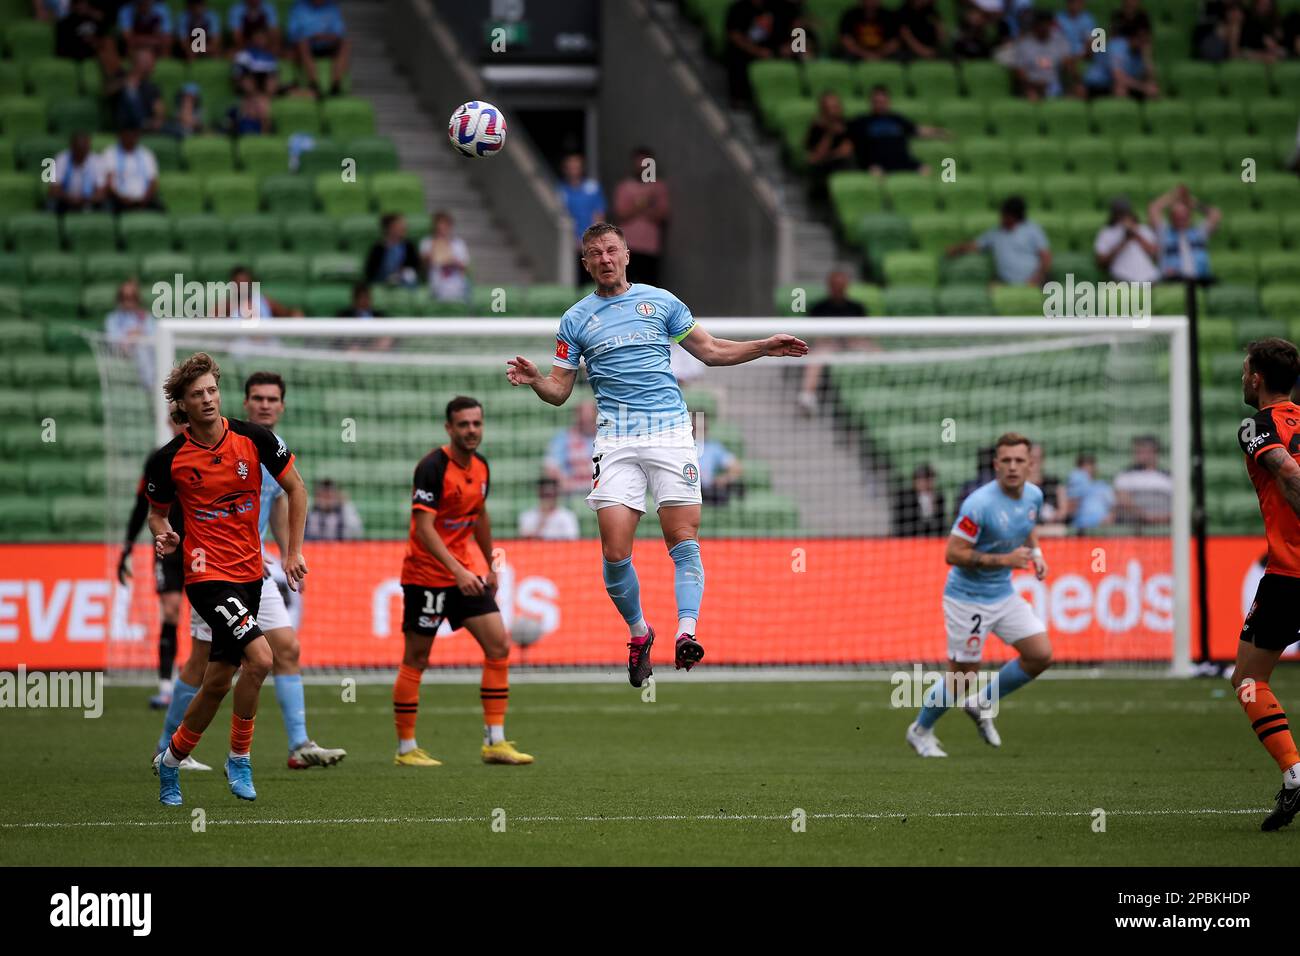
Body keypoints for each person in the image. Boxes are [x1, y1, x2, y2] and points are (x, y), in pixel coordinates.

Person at [505, 222, 808, 687]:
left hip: (670, 432)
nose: (604, 259)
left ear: (627, 254)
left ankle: (687, 633)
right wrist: (536, 381)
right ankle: (639, 632)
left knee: (682, 539)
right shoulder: (574, 320)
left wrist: (763, 347)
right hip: (616, 439)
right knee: (614, 549)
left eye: (611, 250)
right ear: (585, 263)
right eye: (594, 253)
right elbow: (560, 391)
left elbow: (710, 351)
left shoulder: (661, 302)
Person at [151, 370, 346, 776]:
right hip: (212, 572)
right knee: (207, 663)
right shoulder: (185, 454)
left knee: (285, 649)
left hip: (256, 567)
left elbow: (282, 502)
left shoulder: (267, 445)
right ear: (246, 402)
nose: (265, 405)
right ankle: (171, 748)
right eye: (257, 398)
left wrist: (290, 554)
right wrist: (167, 535)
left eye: (272, 399)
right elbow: (162, 512)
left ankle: (298, 745)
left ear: (282, 405)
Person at [394, 396, 534, 767]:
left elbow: (480, 516)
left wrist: (490, 564)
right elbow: (424, 528)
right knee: (417, 658)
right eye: (464, 424)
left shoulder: (482, 467)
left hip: (465, 574)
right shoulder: (431, 467)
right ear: (449, 428)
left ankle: (495, 742)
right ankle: (406, 749)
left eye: (477, 424)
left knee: (498, 644)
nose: (471, 430)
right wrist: (458, 570)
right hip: (426, 576)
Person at [906, 432, 1053, 758]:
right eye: (1006, 461)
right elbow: (953, 554)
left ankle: (983, 702)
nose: (1013, 467)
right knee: (962, 677)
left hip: (1002, 593)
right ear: (995, 464)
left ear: (1030, 464)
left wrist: (1037, 553)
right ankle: (920, 730)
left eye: (1019, 461)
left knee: (1040, 654)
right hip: (967, 598)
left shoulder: (1034, 496)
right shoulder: (979, 504)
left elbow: (1026, 522)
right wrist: (1005, 561)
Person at [1230, 338, 1300, 830]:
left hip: (1291, 575)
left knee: (1248, 680)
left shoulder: (1258, 426)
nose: (1241, 377)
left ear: (1256, 377)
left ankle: (1295, 773)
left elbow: (1288, 472)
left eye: (1244, 370)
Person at [119, 423, 190, 715]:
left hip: (203, 545)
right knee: (171, 609)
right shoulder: (159, 458)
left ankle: (205, 683)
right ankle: (165, 686)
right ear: (170, 421)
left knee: (207, 617)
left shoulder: (212, 455)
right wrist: (127, 546)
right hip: (167, 546)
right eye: (178, 417)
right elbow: (141, 504)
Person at [798, 269, 868, 414]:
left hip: (853, 345)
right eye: (835, 285)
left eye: (841, 285)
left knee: (874, 349)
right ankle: (807, 396)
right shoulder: (818, 308)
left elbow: (865, 332)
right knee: (816, 356)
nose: (838, 288)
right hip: (829, 346)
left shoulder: (857, 307)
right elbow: (812, 334)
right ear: (829, 286)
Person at [947, 195, 1051, 286]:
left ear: (1013, 216)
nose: (1001, 217)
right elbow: (975, 245)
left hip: (1033, 282)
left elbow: (1046, 257)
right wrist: (957, 249)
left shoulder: (1033, 230)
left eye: (1005, 215)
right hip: (1005, 283)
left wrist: (1037, 279)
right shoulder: (995, 233)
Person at [847, 85, 947, 176]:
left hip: (902, 159)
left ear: (888, 102)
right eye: (877, 102)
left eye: (883, 102)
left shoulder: (897, 119)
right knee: (875, 174)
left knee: (926, 169)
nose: (880, 105)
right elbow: (844, 131)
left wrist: (940, 132)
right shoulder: (862, 121)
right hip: (877, 162)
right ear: (871, 102)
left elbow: (917, 129)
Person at [612, 147, 670, 287]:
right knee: (626, 286)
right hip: (628, 246)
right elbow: (621, 214)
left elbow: (662, 214)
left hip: (650, 247)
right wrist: (642, 205)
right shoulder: (624, 187)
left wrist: (644, 207)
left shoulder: (658, 187)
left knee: (649, 287)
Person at [1148, 184, 1220, 282]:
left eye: (1184, 217)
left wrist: (1190, 202)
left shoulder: (1198, 233)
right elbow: (1154, 208)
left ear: (1190, 217)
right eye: (1177, 217)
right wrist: (1173, 196)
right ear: (1171, 218)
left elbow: (1215, 214)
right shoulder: (1164, 234)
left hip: (1201, 279)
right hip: (1174, 281)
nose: (1181, 220)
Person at [557, 153, 607, 285]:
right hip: (569, 244)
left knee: (594, 278)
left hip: (591, 243)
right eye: (570, 167)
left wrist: (592, 240)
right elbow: (560, 217)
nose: (574, 170)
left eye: (576, 167)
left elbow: (599, 215)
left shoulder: (592, 188)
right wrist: (573, 240)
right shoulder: (560, 190)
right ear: (565, 169)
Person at [1010, 11, 1079, 100]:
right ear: (1035, 25)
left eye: (1047, 24)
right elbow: (1020, 72)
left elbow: (1068, 64)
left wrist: (1073, 77)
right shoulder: (1024, 44)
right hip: (1032, 86)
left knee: (1078, 91)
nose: (1044, 27)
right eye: (1041, 24)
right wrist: (1034, 85)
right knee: (1032, 96)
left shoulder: (1060, 40)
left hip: (1054, 85)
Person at [287, 0, 351, 96]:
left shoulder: (332, 7)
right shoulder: (298, 7)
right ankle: (314, 83)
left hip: (327, 44)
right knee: (302, 43)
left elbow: (339, 32)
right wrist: (311, 37)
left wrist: (323, 37)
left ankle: (335, 85)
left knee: (345, 43)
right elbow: (292, 33)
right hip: (306, 46)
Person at [724, 0, 781, 105]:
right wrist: (757, 51)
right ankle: (741, 98)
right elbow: (734, 35)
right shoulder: (738, 8)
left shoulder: (774, 7)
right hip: (745, 51)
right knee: (738, 59)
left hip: (770, 50)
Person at [1094, 197, 1159, 284]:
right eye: (1119, 213)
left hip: (1149, 278)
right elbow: (1101, 262)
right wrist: (1124, 241)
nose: (1122, 215)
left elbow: (1155, 254)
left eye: (1124, 212)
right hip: (1122, 278)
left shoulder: (1142, 229)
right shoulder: (1107, 233)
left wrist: (1135, 234)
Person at [104, 278, 155, 389]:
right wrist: (130, 336)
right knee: (141, 347)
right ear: (119, 299)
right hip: (123, 351)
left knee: (146, 347)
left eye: (132, 298)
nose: (128, 301)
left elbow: (153, 337)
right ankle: (151, 386)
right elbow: (113, 341)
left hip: (146, 349)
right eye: (125, 298)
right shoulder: (113, 318)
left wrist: (138, 334)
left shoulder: (145, 316)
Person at [804, 92, 855, 201]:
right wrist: (830, 133)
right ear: (822, 110)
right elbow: (814, 158)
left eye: (835, 107)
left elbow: (847, 151)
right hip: (823, 174)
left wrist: (829, 156)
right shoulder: (817, 128)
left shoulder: (848, 125)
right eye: (828, 108)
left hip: (844, 171)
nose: (832, 111)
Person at [543, 400, 599, 497]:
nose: (586, 423)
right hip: (570, 494)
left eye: (590, 420)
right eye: (583, 420)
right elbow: (550, 468)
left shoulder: (604, 439)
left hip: (598, 492)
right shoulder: (562, 438)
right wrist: (565, 484)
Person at [1113, 435, 1172, 526]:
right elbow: (1122, 499)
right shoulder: (1125, 475)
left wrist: (1160, 518)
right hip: (1133, 526)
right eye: (1137, 451)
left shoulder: (1168, 476)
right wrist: (1144, 516)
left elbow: (1178, 505)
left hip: (1165, 527)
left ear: (1155, 452)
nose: (1139, 455)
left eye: (1143, 451)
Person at [48, 131, 108, 213]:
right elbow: (53, 190)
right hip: (65, 201)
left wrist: (84, 199)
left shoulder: (97, 161)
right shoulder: (61, 159)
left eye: (84, 148)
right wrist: (69, 198)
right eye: (78, 148)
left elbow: (101, 192)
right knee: (51, 203)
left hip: (89, 202)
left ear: (88, 147)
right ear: (72, 147)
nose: (81, 152)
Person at [108, 48, 166, 132]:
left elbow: (158, 107)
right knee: (129, 89)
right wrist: (125, 83)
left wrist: (158, 120)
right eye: (148, 61)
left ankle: (144, 123)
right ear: (138, 62)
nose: (152, 65)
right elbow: (107, 90)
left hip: (148, 124)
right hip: (126, 123)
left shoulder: (151, 86)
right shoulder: (121, 75)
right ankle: (142, 123)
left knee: (178, 130)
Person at [419, 211, 471, 303]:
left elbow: (465, 268)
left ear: (450, 226)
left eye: (445, 225)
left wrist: (453, 261)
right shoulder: (427, 242)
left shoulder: (459, 244)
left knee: (465, 286)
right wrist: (434, 249)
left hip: (457, 282)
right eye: (439, 225)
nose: (441, 228)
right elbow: (423, 266)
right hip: (437, 283)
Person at [694, 413, 745, 507]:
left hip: (707, 488)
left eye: (704, 427)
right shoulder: (683, 447)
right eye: (697, 427)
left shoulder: (714, 447)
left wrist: (723, 479)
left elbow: (737, 467)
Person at [364, 213, 419, 287]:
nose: (404, 227)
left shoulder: (409, 246)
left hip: (404, 285)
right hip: (381, 285)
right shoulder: (377, 248)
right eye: (400, 225)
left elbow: (414, 267)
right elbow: (370, 272)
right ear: (390, 228)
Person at [517, 476, 580, 540]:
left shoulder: (567, 516)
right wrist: (541, 523)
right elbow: (524, 540)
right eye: (544, 495)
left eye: (551, 494)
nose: (548, 499)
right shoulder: (527, 516)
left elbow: (571, 541)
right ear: (539, 494)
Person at [892, 463, 947, 536]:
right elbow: (901, 524)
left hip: (932, 538)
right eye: (922, 479)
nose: (926, 483)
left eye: (929, 479)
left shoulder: (939, 497)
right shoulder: (905, 497)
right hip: (910, 538)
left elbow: (941, 524)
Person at [1065, 452, 1114, 530]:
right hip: (1081, 528)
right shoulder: (1075, 481)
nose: (1088, 469)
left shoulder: (1103, 486)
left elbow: (1113, 508)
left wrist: (1109, 518)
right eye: (1084, 466)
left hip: (1102, 527)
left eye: (1091, 465)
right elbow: (1070, 509)